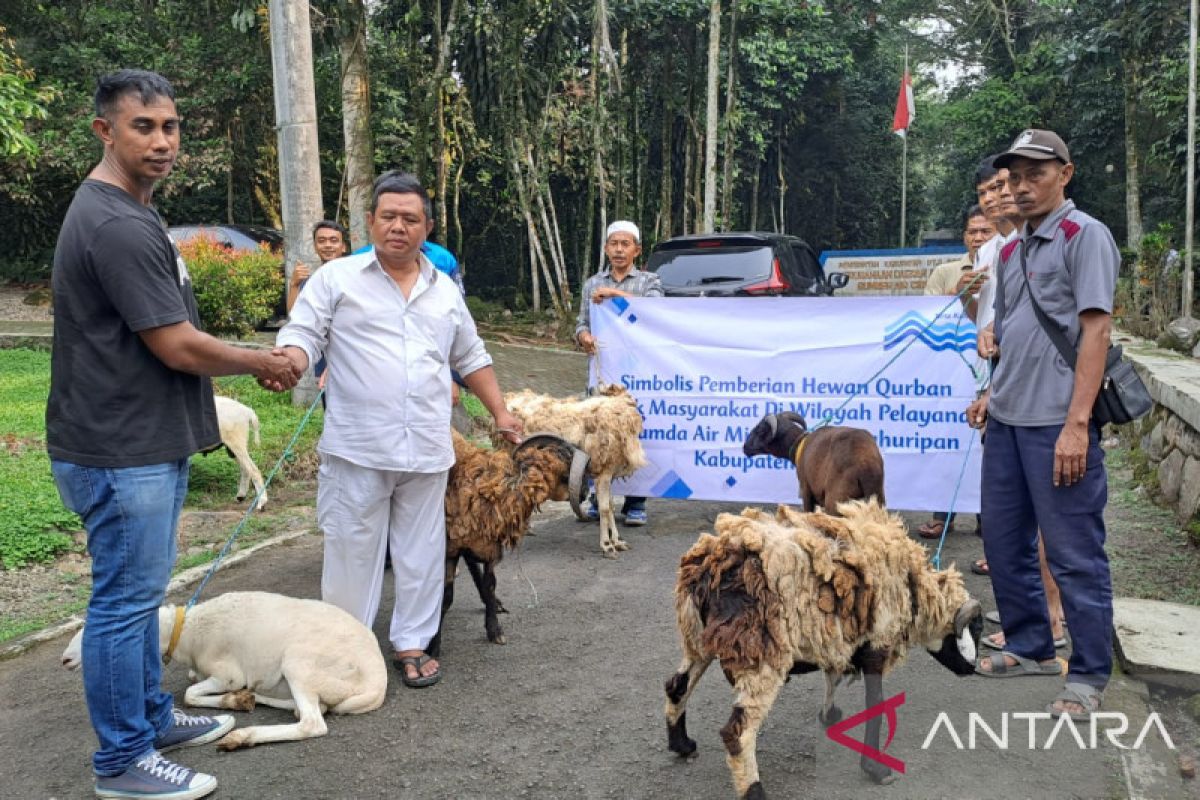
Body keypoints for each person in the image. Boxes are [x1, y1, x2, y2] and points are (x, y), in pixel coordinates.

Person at [47, 70, 301, 800]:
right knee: (124, 608)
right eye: (143, 127)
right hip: (122, 452)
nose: (163, 141)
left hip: (134, 444)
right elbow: (177, 345)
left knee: (136, 596)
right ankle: (123, 762)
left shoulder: (126, 211)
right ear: (105, 132)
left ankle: (152, 719)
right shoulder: (118, 223)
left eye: (171, 126)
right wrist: (263, 361)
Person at [276, 170, 523, 689]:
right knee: (352, 549)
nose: (398, 227)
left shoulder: (444, 290)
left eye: (410, 219)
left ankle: (411, 642)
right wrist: (290, 361)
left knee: (421, 551)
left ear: (426, 227)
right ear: (370, 222)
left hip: (427, 449)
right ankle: (345, 650)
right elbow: (303, 331)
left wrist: (501, 412)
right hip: (358, 448)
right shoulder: (337, 278)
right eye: (388, 216)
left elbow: (470, 354)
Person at [969, 130, 1118, 722]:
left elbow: (1096, 333)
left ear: (1065, 174)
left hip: (1058, 424)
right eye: (1013, 178)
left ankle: (1086, 675)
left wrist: (1077, 425)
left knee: (1075, 553)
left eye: (1035, 174)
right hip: (1005, 421)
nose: (1021, 187)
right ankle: (1030, 643)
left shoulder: (1085, 237)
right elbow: (1012, 333)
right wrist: (988, 382)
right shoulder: (1009, 251)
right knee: (1004, 545)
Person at [574, 220, 663, 526]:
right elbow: (582, 323)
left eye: (625, 244)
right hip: (604, 374)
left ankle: (636, 503)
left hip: (640, 375)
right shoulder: (591, 284)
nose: (619, 250)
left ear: (636, 250)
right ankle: (602, 500)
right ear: (606, 248)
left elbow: (656, 313)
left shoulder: (650, 282)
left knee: (633, 436)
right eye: (614, 244)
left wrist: (614, 294)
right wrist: (583, 337)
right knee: (601, 438)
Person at [915, 205, 994, 540]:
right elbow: (926, 317)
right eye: (972, 231)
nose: (977, 237)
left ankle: (986, 520)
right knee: (948, 442)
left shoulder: (1006, 267)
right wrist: (956, 293)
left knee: (988, 447)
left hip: (989, 372)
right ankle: (941, 515)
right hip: (948, 374)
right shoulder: (946, 272)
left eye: (985, 231)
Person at [287, 220, 350, 313]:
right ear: (315, 247)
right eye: (321, 241)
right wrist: (294, 285)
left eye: (333, 241)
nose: (328, 245)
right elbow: (296, 315)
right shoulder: (311, 282)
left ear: (343, 247)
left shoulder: (354, 276)